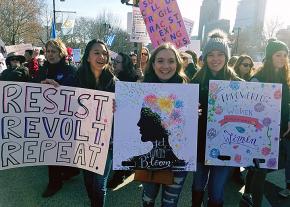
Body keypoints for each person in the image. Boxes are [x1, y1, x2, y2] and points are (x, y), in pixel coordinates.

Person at [191, 30, 241, 207]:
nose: (215, 59)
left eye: (220, 54)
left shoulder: (239, 85)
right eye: (211, 54)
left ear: (226, 57)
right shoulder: (194, 82)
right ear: (205, 57)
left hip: (226, 145)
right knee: (198, 186)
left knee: (217, 192)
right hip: (199, 145)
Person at [241, 38, 290, 206]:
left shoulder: (285, 77)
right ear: (270, 56)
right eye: (278, 55)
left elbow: (287, 103)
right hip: (260, 130)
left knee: (258, 168)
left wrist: (288, 120)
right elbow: (249, 105)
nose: (282, 58)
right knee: (261, 170)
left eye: (285, 55)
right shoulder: (258, 78)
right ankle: (256, 202)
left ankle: (247, 193)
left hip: (278, 131)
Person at [139, 42, 189, 207]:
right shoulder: (139, 90)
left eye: (171, 61)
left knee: (170, 203)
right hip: (148, 159)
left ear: (177, 64)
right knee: (148, 199)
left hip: (179, 162)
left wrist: (194, 116)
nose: (165, 66)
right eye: (160, 61)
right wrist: (118, 108)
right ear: (152, 64)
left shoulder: (187, 92)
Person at [74, 39, 116, 207]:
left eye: (105, 53)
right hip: (82, 139)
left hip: (106, 142)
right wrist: (52, 87)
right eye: (97, 52)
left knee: (99, 185)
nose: (102, 56)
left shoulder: (115, 82)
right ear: (87, 57)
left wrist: (120, 107)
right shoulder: (75, 79)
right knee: (89, 181)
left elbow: (130, 112)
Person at [39, 39, 80, 198]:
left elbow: (76, 89)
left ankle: (60, 178)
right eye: (48, 51)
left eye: (53, 51)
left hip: (65, 116)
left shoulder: (70, 70)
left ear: (61, 53)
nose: (50, 54)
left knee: (61, 148)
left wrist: (59, 87)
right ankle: (56, 180)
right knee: (51, 148)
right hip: (47, 116)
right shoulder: (43, 70)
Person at [122, 107, 186, 170]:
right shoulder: (134, 162)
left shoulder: (135, 162)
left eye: (144, 119)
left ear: (158, 124)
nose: (138, 124)